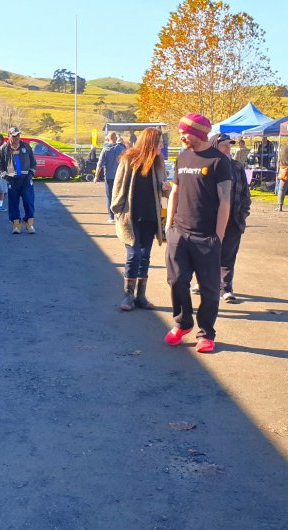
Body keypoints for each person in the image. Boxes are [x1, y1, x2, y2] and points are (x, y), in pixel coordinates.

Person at [163, 113, 231, 354]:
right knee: (176, 281)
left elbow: (225, 201)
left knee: (210, 288)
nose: (181, 135)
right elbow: (175, 192)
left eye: (185, 131)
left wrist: (218, 237)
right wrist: (169, 226)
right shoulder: (181, 157)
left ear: (200, 134)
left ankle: (206, 333)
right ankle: (183, 324)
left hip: (207, 237)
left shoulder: (219, 161)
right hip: (179, 233)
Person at [110, 127, 168, 311]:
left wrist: (167, 189)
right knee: (134, 254)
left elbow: (162, 186)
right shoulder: (129, 159)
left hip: (151, 216)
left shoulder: (158, 162)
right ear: (150, 142)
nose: (162, 146)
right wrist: (117, 210)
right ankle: (128, 296)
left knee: (145, 256)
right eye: (159, 142)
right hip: (130, 216)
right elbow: (118, 186)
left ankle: (141, 296)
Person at [213, 133, 251, 304]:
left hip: (234, 219)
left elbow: (245, 194)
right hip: (212, 220)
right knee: (210, 253)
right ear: (215, 146)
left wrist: (243, 213)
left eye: (229, 145)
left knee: (228, 255)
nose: (228, 148)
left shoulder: (236, 166)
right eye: (224, 145)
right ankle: (204, 282)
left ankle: (226, 288)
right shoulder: (209, 165)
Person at [0, 127, 37, 234]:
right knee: (13, 203)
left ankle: (29, 224)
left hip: (26, 179)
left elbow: (33, 163)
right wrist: (6, 177)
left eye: (18, 135)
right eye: (14, 135)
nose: (16, 137)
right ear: (9, 136)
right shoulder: (4, 149)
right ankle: (16, 225)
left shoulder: (26, 147)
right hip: (12, 180)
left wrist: (31, 174)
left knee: (28, 201)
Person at [96, 131, 126, 222]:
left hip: (109, 176)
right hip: (120, 176)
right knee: (120, 195)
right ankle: (119, 215)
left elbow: (100, 164)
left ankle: (111, 217)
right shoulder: (122, 149)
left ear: (108, 139)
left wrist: (96, 176)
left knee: (109, 196)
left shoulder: (105, 149)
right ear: (116, 139)